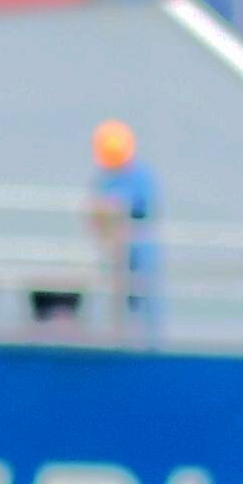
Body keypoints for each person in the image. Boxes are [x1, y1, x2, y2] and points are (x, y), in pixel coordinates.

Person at [85, 119, 159, 341]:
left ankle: (148, 344)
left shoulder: (140, 177)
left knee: (142, 300)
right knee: (116, 299)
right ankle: (118, 339)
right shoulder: (105, 179)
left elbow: (134, 207)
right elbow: (96, 214)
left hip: (138, 251)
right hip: (114, 251)